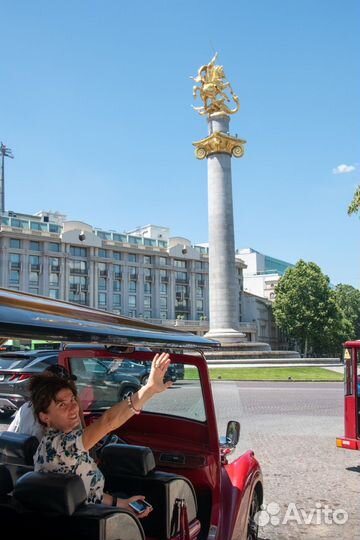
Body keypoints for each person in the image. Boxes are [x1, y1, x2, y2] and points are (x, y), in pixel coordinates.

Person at [30, 352, 172, 517]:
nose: (73, 409)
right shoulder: (60, 445)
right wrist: (149, 389)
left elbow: (90, 493)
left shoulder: (54, 443)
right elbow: (107, 422)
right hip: (84, 523)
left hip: (88, 514)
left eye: (73, 401)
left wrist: (122, 504)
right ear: (44, 417)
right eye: (62, 405)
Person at [7, 365, 84, 442]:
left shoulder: (25, 407)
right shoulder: (58, 441)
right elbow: (81, 439)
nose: (67, 387)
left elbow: (9, 437)